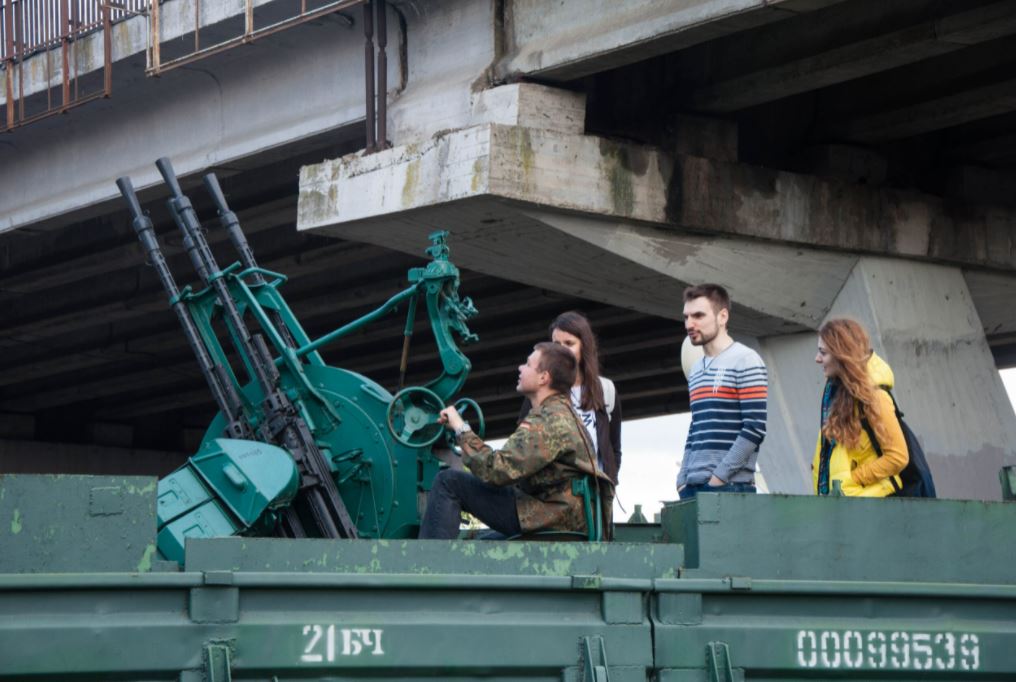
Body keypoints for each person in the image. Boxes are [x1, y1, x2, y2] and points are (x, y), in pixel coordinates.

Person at [418, 342, 612, 539]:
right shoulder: (560, 414)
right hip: (559, 518)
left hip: (549, 519)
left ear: (544, 377)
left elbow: (496, 470)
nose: (520, 368)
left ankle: (427, 564)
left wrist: (461, 429)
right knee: (480, 546)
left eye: (528, 364)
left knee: (449, 481)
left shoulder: (549, 422)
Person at [677, 284, 767, 499]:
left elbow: (754, 428)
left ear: (722, 316)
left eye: (698, 315)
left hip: (730, 488)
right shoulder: (697, 368)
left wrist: (719, 477)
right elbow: (696, 426)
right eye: (686, 317)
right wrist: (682, 478)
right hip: (692, 485)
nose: (690, 323)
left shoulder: (746, 360)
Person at [518, 311, 622, 484]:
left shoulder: (606, 390)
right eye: (556, 344)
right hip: (552, 500)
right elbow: (521, 449)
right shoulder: (539, 390)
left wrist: (608, 487)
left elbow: (614, 450)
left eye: (569, 343)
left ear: (584, 346)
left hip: (593, 501)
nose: (561, 350)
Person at [813, 318, 908, 497]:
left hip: (870, 506)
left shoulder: (875, 397)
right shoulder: (837, 396)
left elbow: (897, 456)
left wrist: (852, 479)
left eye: (823, 352)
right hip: (846, 504)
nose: (817, 359)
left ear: (842, 355)